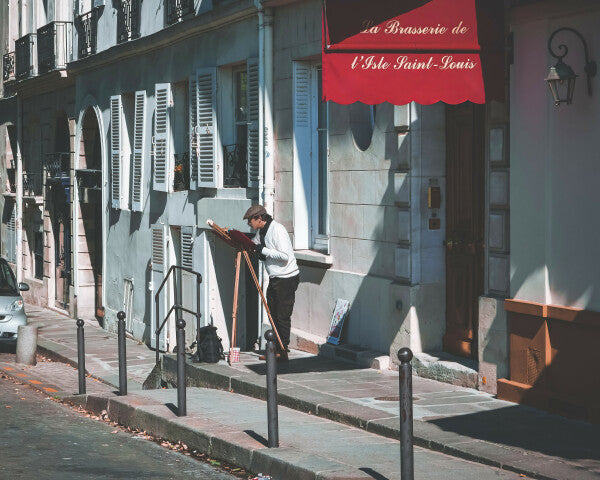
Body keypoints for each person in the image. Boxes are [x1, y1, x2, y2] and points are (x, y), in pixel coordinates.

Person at [243, 204, 299, 361]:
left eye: (250, 221)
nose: (249, 224)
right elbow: (256, 244)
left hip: (286, 278)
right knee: (272, 314)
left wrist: (263, 250)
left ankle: (283, 350)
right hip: (276, 278)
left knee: (282, 315)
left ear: (259, 218)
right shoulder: (262, 231)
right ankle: (276, 348)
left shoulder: (277, 230)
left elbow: (285, 256)